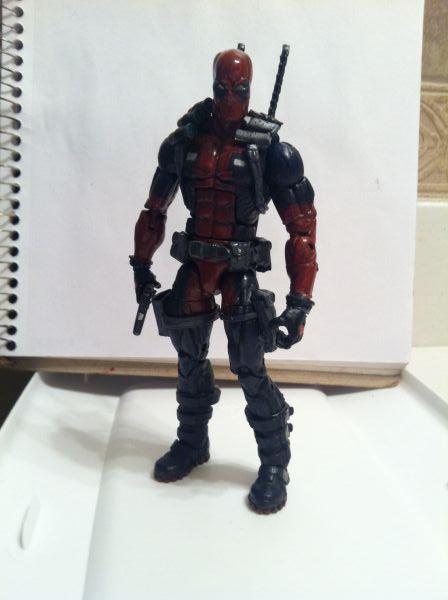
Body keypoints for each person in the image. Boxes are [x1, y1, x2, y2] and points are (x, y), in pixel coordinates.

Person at [130, 47, 317, 513]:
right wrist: (141, 265)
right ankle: (192, 442)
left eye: (240, 89)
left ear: (250, 90)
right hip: (195, 264)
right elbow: (154, 209)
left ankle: (274, 463)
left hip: (239, 268)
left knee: (249, 365)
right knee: (189, 360)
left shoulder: (269, 149)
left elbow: (301, 230)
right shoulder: (185, 142)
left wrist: (299, 302)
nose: (230, 98)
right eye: (222, 88)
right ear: (212, 86)